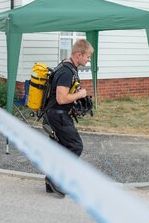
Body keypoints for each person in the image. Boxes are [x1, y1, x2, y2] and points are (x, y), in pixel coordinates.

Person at [45, 39, 94, 197]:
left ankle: (50, 180)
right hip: (58, 115)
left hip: (58, 114)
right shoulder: (66, 71)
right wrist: (81, 94)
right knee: (75, 146)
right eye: (87, 56)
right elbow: (61, 98)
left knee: (60, 147)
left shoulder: (68, 66)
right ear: (79, 54)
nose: (89, 59)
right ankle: (55, 179)